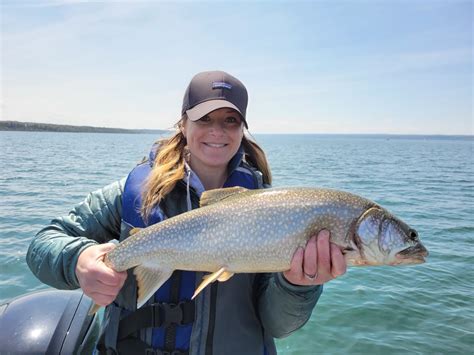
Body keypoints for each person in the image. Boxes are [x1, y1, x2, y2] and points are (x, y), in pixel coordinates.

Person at [27, 70, 347, 355]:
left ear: (242, 129)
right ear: (183, 123)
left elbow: (279, 325)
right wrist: (77, 261)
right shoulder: (132, 191)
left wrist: (299, 285)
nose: (217, 131)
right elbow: (43, 243)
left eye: (230, 121)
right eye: (204, 119)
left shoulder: (269, 209)